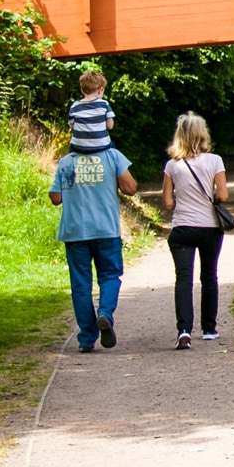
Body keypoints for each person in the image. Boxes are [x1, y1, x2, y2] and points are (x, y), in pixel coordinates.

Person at [48, 140, 137, 353]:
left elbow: (56, 197)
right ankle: (105, 312)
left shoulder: (66, 162)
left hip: (75, 231)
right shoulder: (113, 156)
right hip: (106, 229)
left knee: (80, 284)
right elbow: (130, 188)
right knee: (110, 275)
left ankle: (87, 338)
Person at [161, 112, 229, 350]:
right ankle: (209, 328)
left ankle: (183, 330)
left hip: (182, 228)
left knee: (183, 278)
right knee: (209, 276)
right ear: (202, 135)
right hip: (210, 227)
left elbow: (168, 203)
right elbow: (222, 195)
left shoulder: (172, 165)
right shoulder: (215, 161)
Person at [68, 68, 115, 153]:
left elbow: (72, 127)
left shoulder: (74, 106)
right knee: (114, 151)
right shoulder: (104, 104)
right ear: (101, 90)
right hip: (101, 146)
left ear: (82, 90)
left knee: (72, 148)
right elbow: (110, 126)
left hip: (78, 147)